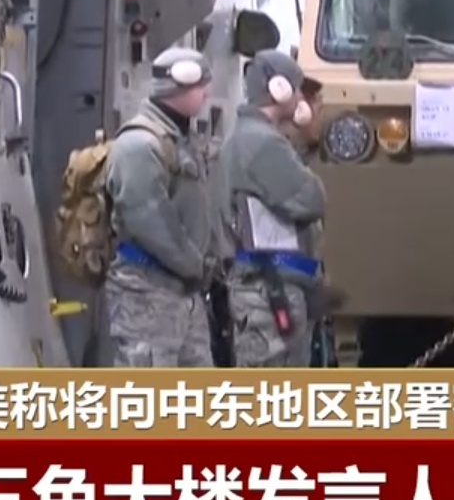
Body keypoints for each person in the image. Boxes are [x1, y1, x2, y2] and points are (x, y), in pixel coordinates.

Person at [102, 47, 217, 367]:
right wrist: (195, 264)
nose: (207, 93)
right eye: (201, 85)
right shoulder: (139, 146)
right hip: (146, 294)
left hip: (180, 293)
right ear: (178, 84)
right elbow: (149, 220)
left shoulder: (179, 141)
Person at [215, 50, 329, 367]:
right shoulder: (263, 143)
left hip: (268, 286)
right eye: (297, 88)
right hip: (270, 289)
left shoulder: (251, 138)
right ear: (280, 89)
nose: (301, 98)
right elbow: (312, 199)